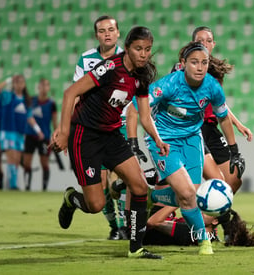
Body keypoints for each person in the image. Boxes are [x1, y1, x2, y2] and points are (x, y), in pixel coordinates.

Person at [52, 26, 169, 259]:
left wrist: (158, 139)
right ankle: (71, 198)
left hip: (112, 136)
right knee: (95, 204)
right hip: (84, 136)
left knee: (139, 187)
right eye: (138, 49)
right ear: (126, 48)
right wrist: (64, 132)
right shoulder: (109, 68)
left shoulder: (142, 75)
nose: (143, 54)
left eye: (147, 49)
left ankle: (136, 248)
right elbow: (70, 93)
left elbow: (145, 115)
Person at [144, 41, 244, 255]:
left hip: (192, 140)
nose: (200, 67)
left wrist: (234, 150)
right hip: (164, 141)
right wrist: (138, 138)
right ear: (183, 64)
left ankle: (148, 195)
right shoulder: (169, 84)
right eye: (194, 62)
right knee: (188, 194)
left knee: (190, 195)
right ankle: (203, 242)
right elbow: (140, 107)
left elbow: (224, 117)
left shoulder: (212, 87)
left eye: (204, 63)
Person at [73, 15, 127, 240]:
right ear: (97, 35)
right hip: (92, 127)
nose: (107, 33)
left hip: (120, 125)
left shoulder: (127, 59)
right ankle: (114, 227)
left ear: (117, 33)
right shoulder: (86, 59)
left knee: (123, 179)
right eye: (102, 30)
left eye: (111, 29)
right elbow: (76, 93)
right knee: (103, 180)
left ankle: (125, 225)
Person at [144, 206, 254, 247]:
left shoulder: (191, 232)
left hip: (142, 230)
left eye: (205, 211)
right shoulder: (211, 234)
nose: (200, 211)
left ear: (215, 221)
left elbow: (153, 222)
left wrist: (178, 199)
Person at [0, 75, 33, 190]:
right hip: (7, 132)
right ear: (13, 84)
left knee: (16, 160)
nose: (19, 84)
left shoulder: (26, 100)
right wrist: (9, 79)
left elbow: (29, 117)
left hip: (20, 133)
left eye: (21, 82)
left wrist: (38, 131)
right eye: (16, 82)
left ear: (24, 84)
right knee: (11, 157)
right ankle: (12, 185)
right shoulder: (8, 96)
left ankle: (12, 183)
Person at [22, 78, 58, 191]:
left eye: (46, 85)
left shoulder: (52, 104)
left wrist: (55, 137)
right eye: (42, 85)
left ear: (48, 88)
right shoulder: (31, 100)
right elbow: (28, 117)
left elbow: (55, 123)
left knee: (44, 164)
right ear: (38, 87)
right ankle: (27, 187)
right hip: (30, 135)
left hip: (45, 138)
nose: (44, 87)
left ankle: (44, 188)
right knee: (27, 163)